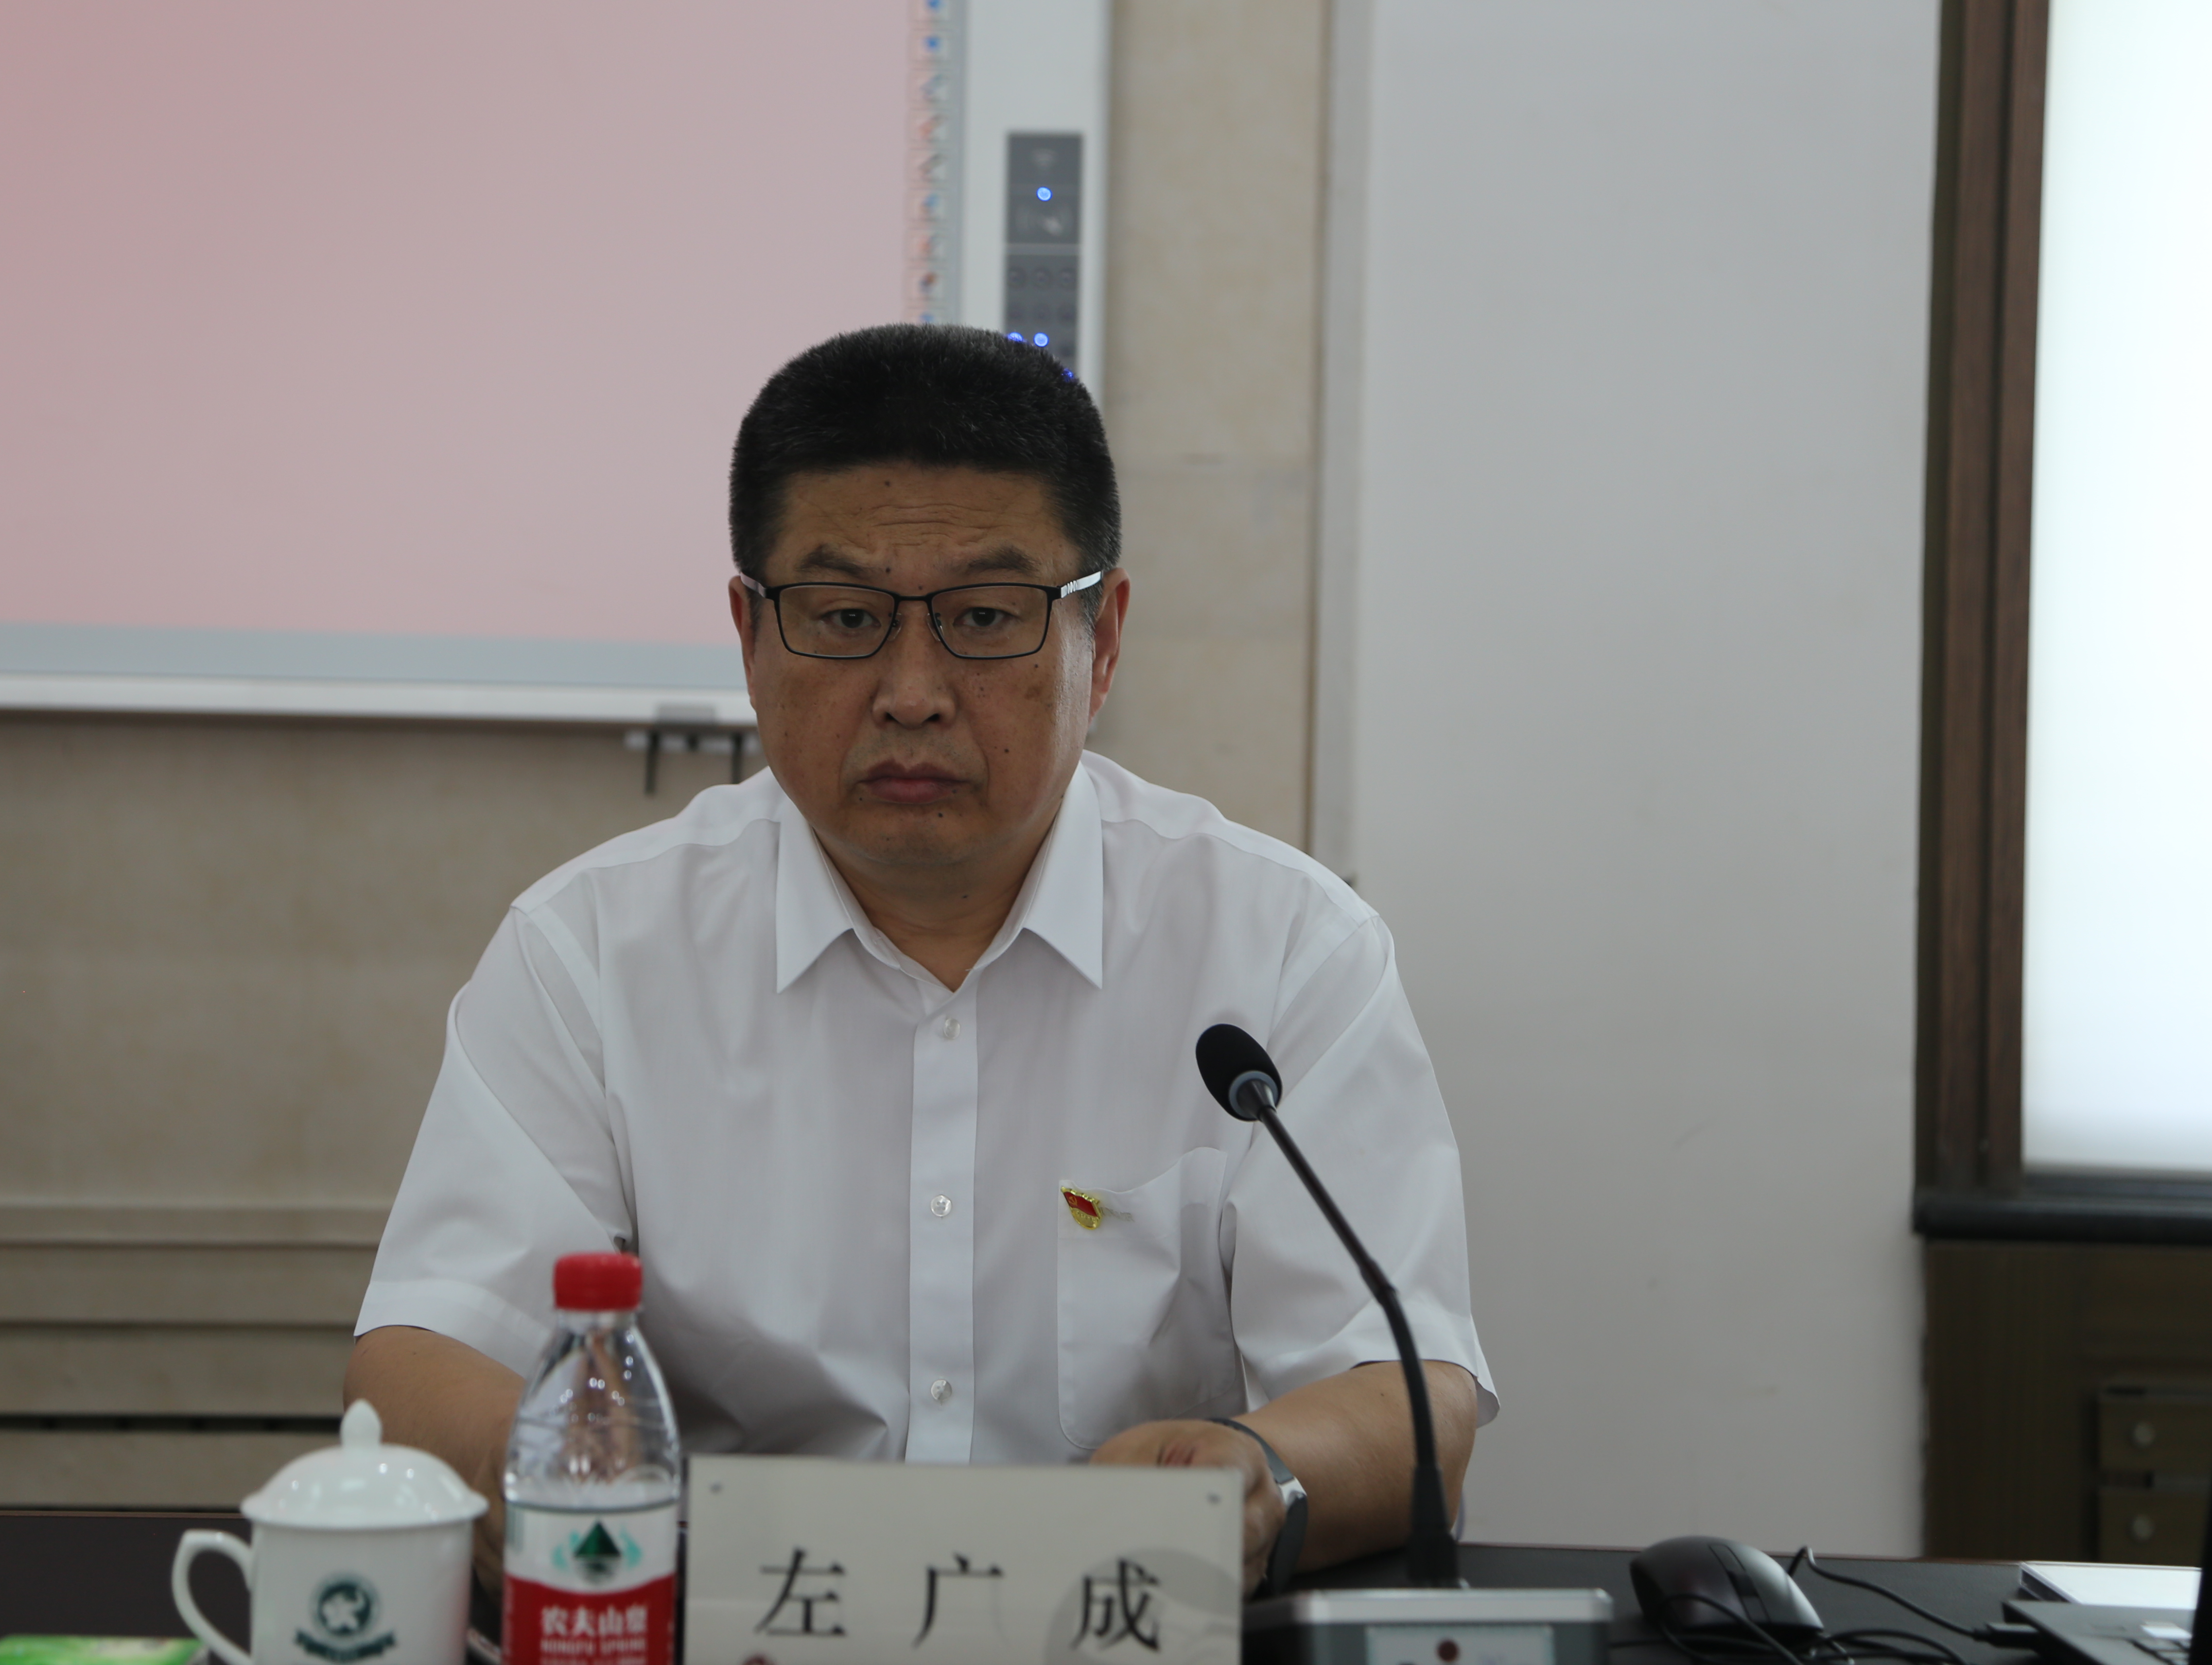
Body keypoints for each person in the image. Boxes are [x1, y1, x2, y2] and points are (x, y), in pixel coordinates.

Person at [346, 323, 1492, 1594]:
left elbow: (1408, 1397)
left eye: (985, 619)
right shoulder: (593, 954)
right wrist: (573, 1485)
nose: (911, 691)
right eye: (844, 617)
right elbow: (427, 1356)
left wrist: (1258, 1470)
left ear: (1104, 639)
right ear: (750, 637)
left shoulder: (1283, 952)